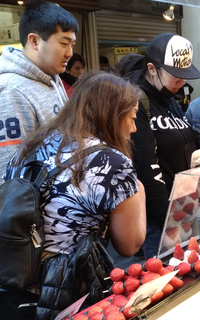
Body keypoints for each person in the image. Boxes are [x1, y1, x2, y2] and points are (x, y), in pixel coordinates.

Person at [1, 72, 147, 320]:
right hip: (64, 293)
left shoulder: (30, 146)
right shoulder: (111, 162)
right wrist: (139, 190)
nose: (134, 128)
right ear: (111, 115)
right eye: (132, 118)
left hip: (12, 281)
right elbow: (129, 244)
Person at [125, 33, 200, 259]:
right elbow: (146, 166)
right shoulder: (136, 102)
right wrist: (166, 221)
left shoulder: (169, 96)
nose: (182, 82)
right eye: (176, 76)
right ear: (152, 68)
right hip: (161, 218)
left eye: (184, 76)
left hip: (184, 208)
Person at [0, 1, 78, 183]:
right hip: (33, 206)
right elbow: (9, 170)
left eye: (72, 44)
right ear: (34, 41)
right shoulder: (11, 89)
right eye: (64, 43)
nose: (70, 53)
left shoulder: (53, 78)